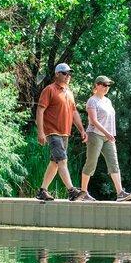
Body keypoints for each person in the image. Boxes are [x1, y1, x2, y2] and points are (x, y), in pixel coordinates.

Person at [35, 63, 88, 202]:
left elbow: (74, 112)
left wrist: (82, 130)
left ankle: (42, 191)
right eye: (65, 73)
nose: (68, 76)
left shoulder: (69, 92)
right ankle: (72, 191)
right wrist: (41, 132)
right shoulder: (49, 90)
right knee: (62, 160)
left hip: (65, 133)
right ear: (57, 74)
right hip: (53, 132)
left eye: (69, 74)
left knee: (55, 163)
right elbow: (40, 111)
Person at [79, 76, 131, 202]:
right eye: (104, 85)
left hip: (108, 137)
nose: (107, 87)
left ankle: (120, 193)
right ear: (97, 85)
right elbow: (94, 120)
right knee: (91, 163)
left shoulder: (108, 101)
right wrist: (107, 133)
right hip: (95, 135)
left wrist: (110, 134)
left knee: (114, 163)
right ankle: (83, 193)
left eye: (108, 85)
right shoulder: (92, 101)